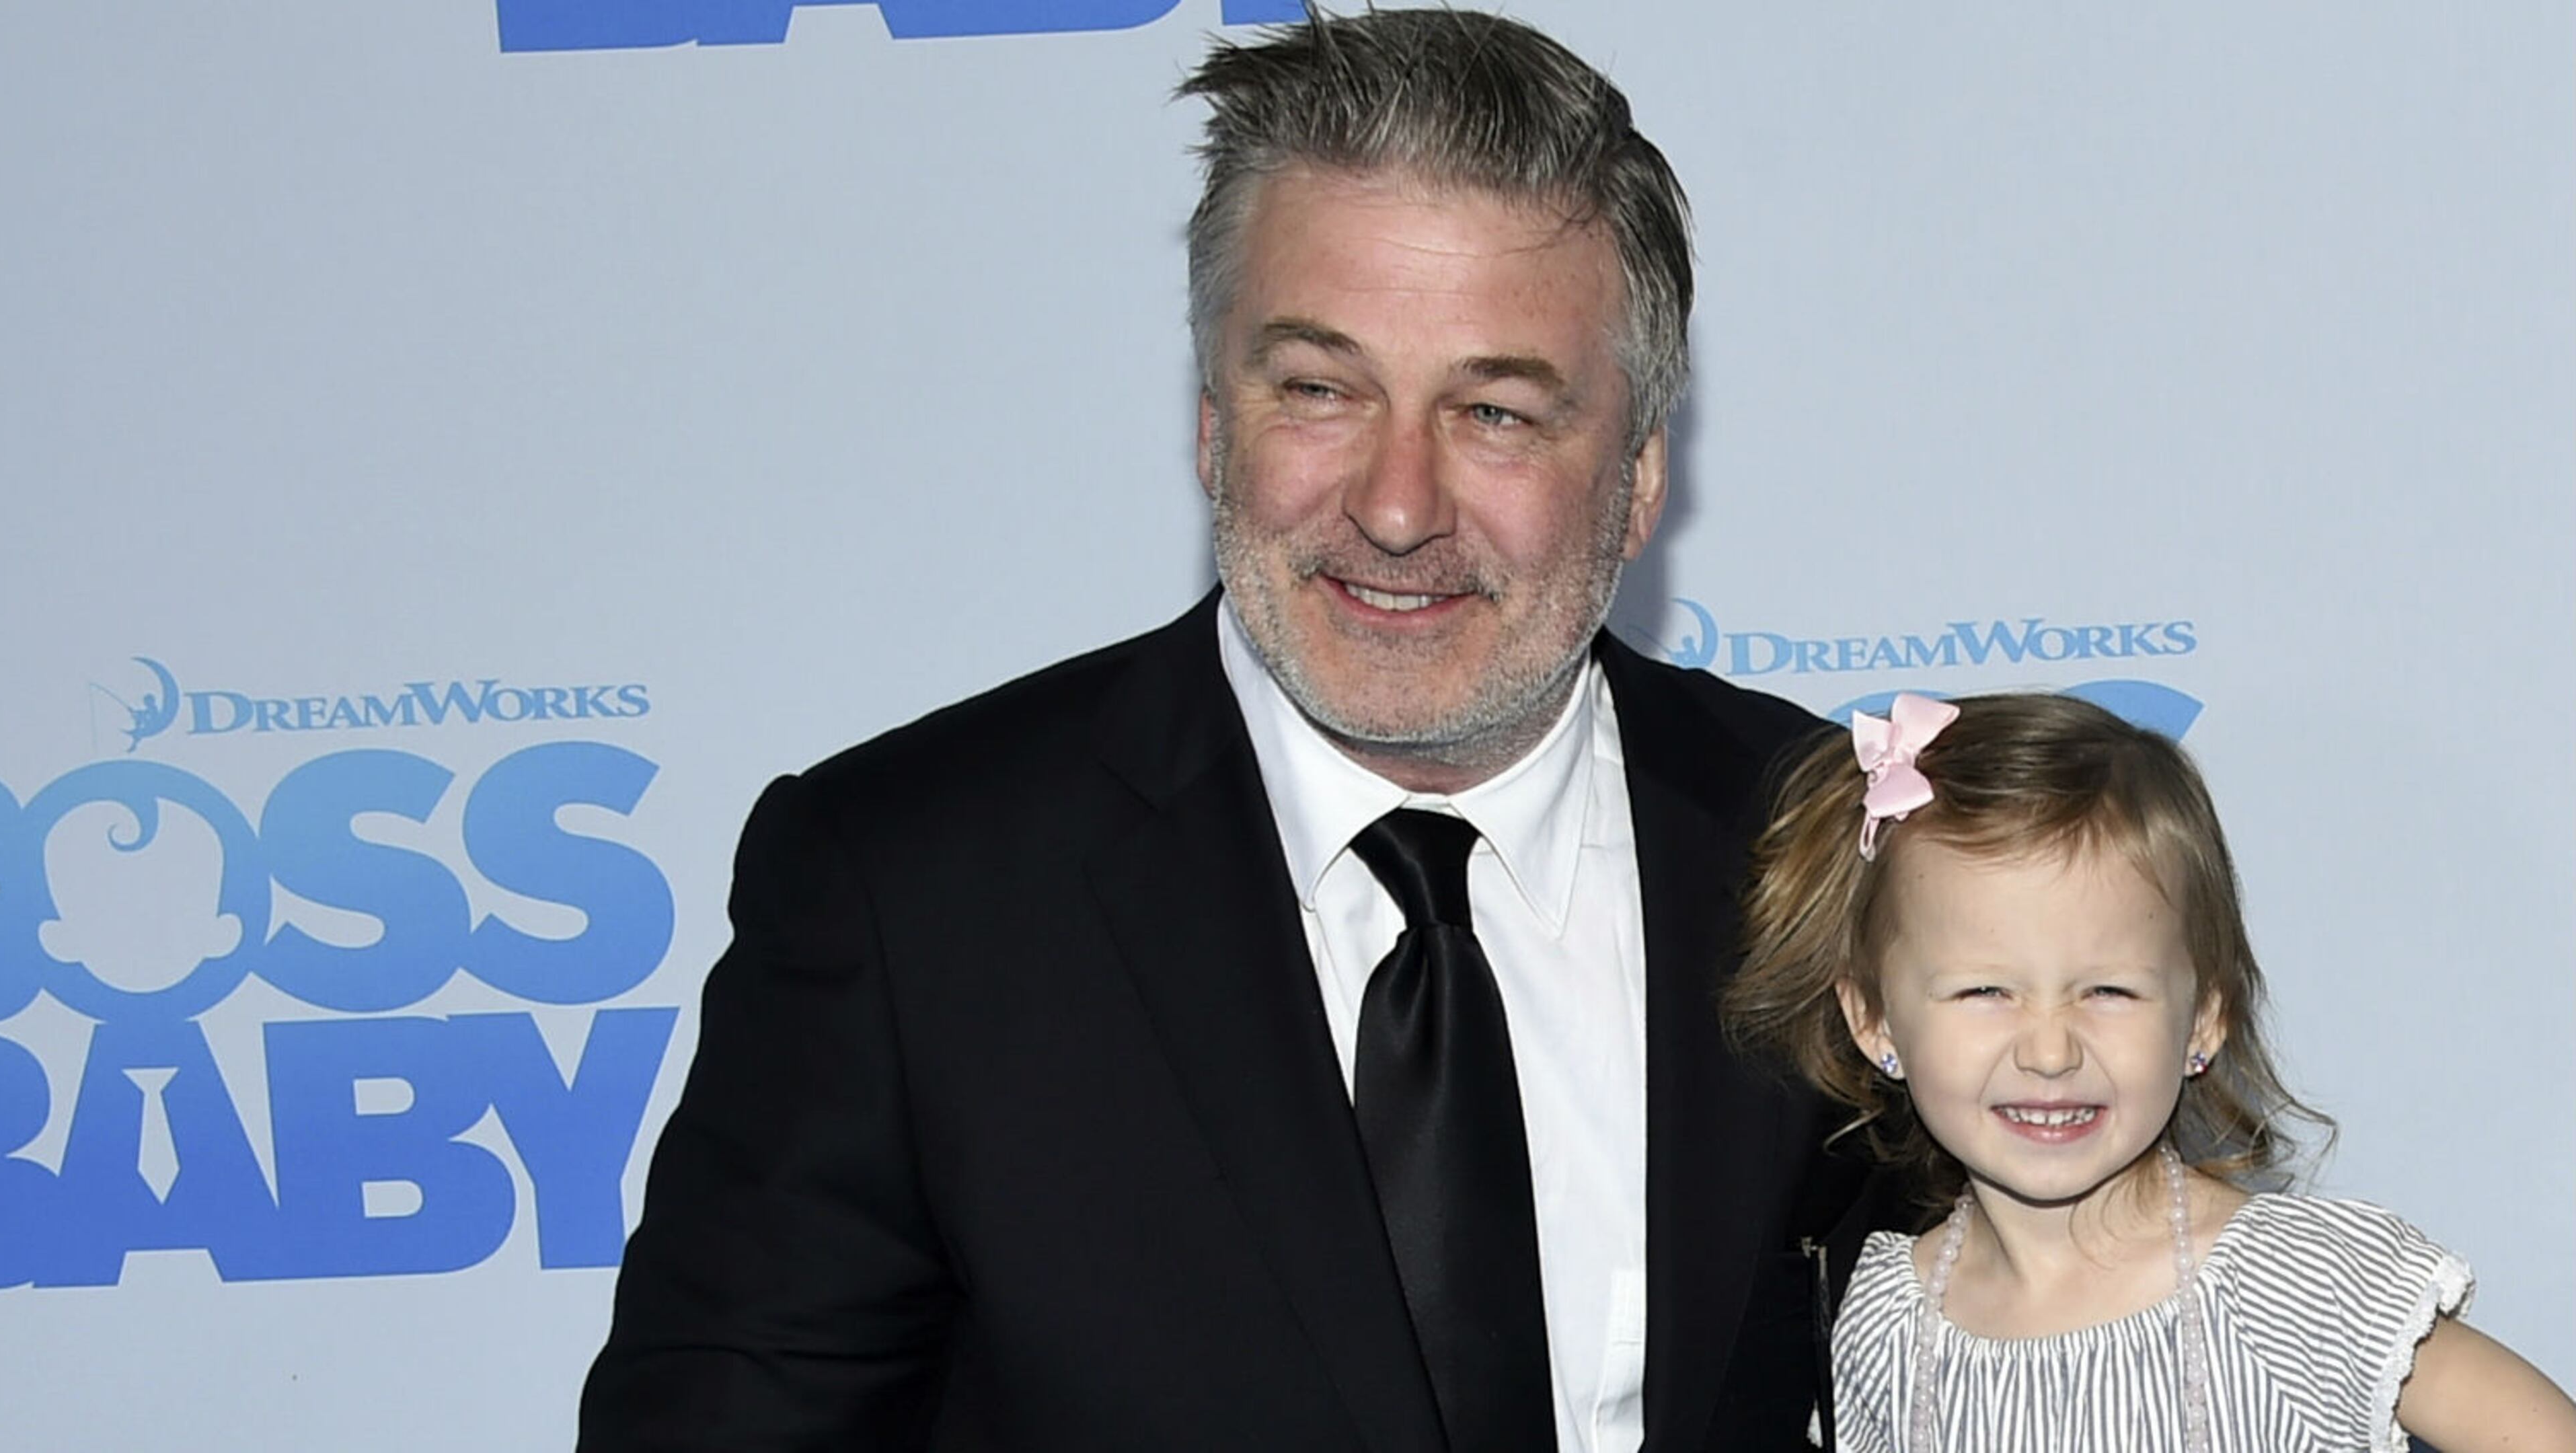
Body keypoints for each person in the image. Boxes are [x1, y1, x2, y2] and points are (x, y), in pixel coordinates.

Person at [577, 9, 1892, 1450]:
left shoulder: (1838, 848)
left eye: (1499, 412)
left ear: (1639, 476)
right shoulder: (911, 897)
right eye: (1320, 391)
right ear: (1214, 423)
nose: (1398, 508)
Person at [1725, 692, 2576, 1452]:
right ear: (1874, 1021)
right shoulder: (1874, 1325)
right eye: (1986, 991)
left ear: (2203, 1016)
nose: (2050, 1051)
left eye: (2109, 991)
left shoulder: (2297, 1285)